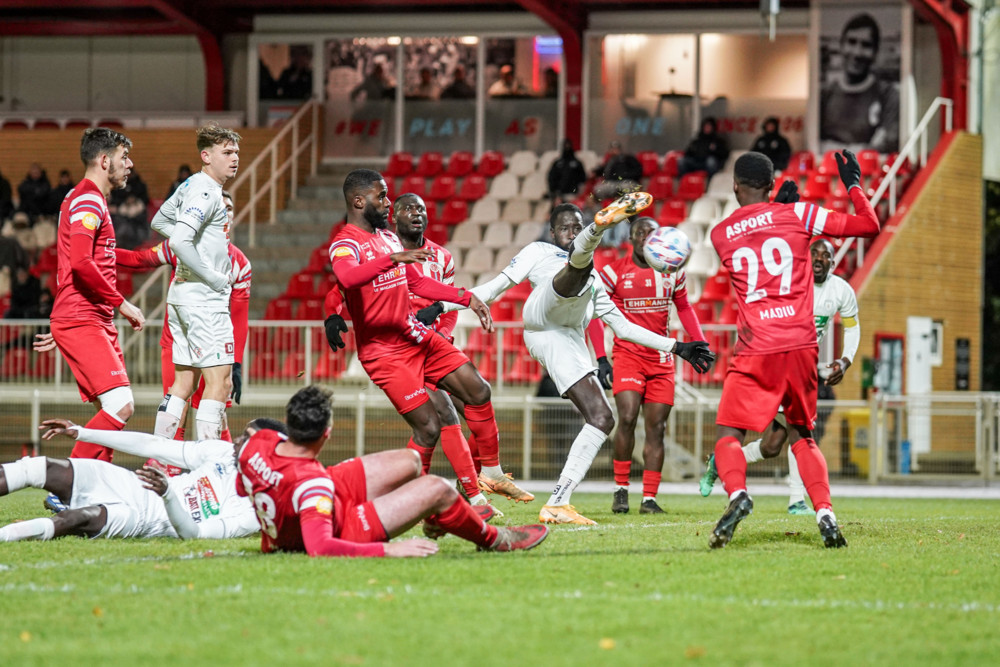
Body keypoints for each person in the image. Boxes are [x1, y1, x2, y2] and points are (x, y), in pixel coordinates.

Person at [430, 197, 714, 525]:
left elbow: (624, 328)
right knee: (576, 268)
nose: (570, 232)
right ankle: (600, 227)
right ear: (552, 233)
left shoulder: (594, 281)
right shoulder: (539, 251)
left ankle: (558, 502)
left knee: (602, 418)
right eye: (565, 228)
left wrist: (678, 347)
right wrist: (442, 306)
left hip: (569, 339)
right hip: (543, 321)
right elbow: (494, 288)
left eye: (577, 227)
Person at [705, 150, 880, 549]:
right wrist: (853, 184)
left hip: (756, 345)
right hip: (801, 345)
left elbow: (756, 234)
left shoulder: (720, 234)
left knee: (728, 434)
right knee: (803, 437)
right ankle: (825, 514)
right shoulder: (800, 214)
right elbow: (869, 225)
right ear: (772, 184)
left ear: (734, 187)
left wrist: (774, 210)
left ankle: (738, 495)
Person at [328, 169, 534, 503]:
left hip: (416, 336)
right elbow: (347, 278)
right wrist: (389, 262)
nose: (388, 203)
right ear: (359, 201)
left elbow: (418, 282)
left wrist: (467, 298)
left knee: (479, 390)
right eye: (382, 196)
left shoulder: (388, 239)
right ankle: (427, 500)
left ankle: (491, 474)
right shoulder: (346, 243)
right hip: (385, 353)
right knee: (429, 428)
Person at [236, 385, 549, 557]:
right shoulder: (312, 486)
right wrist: (391, 549)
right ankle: (495, 539)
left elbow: (241, 485)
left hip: (321, 485)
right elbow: (320, 546)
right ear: (326, 434)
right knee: (439, 487)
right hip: (343, 525)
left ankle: (435, 518)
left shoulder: (258, 444)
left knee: (411, 461)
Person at [700, 237, 861, 515]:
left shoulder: (841, 291)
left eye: (826, 255)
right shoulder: (789, 285)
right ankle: (796, 500)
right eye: (814, 253)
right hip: (771, 366)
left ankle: (720, 461)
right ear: (804, 258)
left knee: (773, 445)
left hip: (799, 370)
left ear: (833, 263)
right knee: (800, 431)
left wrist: (846, 360)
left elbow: (852, 327)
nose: (819, 258)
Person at [117, 190, 250, 459]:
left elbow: (239, 317)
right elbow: (139, 259)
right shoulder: (180, 246)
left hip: (213, 342)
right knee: (184, 402)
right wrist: (102, 251)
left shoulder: (240, 264)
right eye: (219, 207)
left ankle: (215, 465)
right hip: (179, 340)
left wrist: (236, 362)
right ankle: (166, 464)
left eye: (229, 208)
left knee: (211, 404)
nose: (225, 212)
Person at [593, 216, 708, 515]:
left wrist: (700, 342)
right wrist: (601, 358)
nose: (646, 237)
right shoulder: (613, 273)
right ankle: (620, 490)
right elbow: (594, 316)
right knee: (627, 417)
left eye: (651, 233)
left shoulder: (672, 272)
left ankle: (649, 499)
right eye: (640, 233)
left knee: (657, 428)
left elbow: (684, 307)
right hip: (627, 357)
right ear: (631, 238)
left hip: (661, 360)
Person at [0, 416, 265, 542]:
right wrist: (82, 432)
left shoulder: (254, 510)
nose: (238, 440)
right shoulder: (222, 452)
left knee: (75, 518)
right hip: (132, 484)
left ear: (263, 451)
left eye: (247, 438)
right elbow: (152, 445)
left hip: (144, 518)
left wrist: (168, 495)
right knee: (38, 467)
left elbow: (192, 534)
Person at [49, 127, 145, 462]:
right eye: (124, 157)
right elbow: (80, 262)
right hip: (83, 316)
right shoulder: (88, 199)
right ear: (105, 161)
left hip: (87, 317)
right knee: (121, 406)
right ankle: (68, 479)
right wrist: (123, 303)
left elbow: (94, 256)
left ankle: (94, 485)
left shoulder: (82, 197)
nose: (129, 164)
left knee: (110, 413)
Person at [151, 125, 241, 443]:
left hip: (182, 296)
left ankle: (160, 457)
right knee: (220, 383)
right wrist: (213, 276)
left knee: (184, 383)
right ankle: (208, 463)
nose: (235, 158)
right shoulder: (206, 191)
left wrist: (193, 247)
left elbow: (159, 221)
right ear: (206, 156)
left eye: (236, 152)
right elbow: (179, 240)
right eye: (227, 152)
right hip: (204, 299)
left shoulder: (191, 183)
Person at [820, 13, 899, 152]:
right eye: (851, 42)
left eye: (866, 45)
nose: (857, 53)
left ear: (875, 52)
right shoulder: (825, 94)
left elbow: (883, 146)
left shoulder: (887, 95)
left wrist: (832, 148)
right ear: (841, 46)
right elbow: (816, 144)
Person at [547, 139, 588, 205]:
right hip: (559, 195)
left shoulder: (577, 163)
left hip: (573, 194)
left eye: (568, 145)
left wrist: (579, 193)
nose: (567, 147)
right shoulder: (557, 163)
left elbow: (583, 179)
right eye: (565, 145)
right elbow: (551, 178)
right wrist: (555, 194)